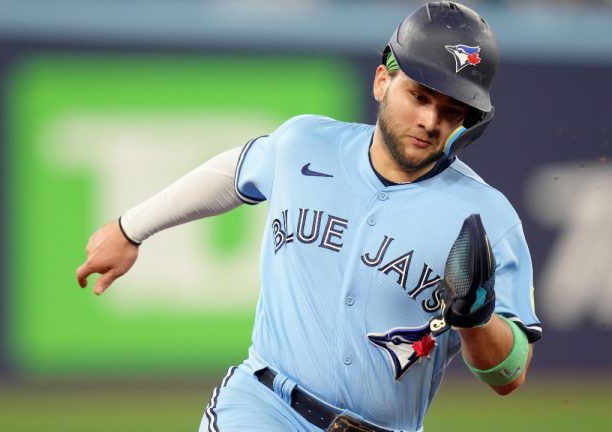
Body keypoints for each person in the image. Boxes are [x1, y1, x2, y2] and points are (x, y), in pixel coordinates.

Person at [76, 2, 542, 431]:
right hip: (263, 406)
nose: (430, 120)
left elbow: (509, 374)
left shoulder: (485, 217)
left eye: (450, 110)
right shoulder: (306, 144)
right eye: (419, 96)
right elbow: (232, 172)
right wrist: (130, 228)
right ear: (382, 81)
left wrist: (477, 319)